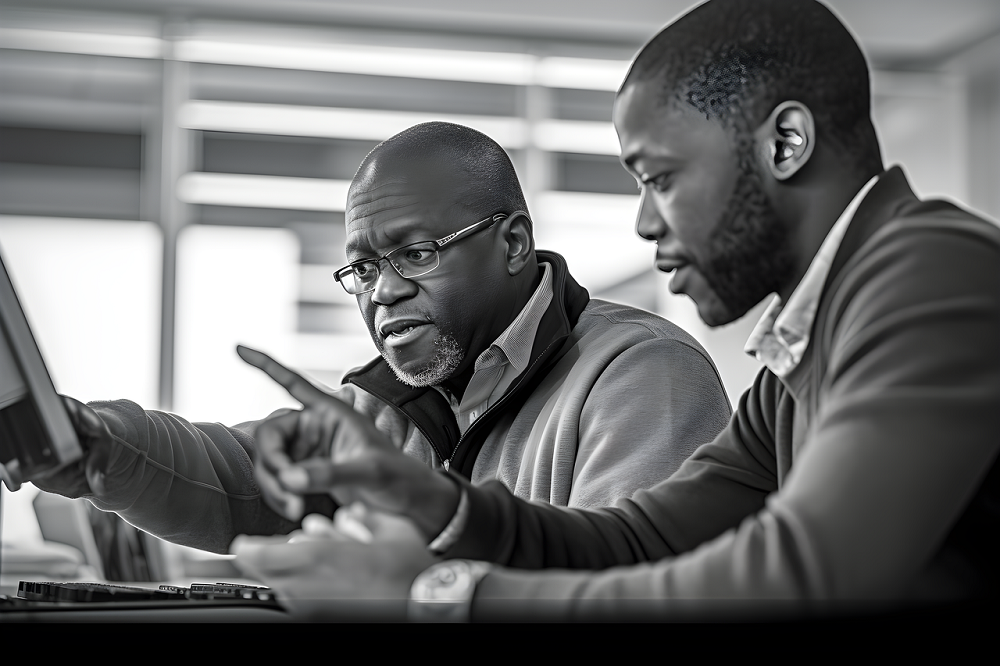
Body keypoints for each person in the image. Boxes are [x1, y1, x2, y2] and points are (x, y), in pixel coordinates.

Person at [229, 0, 1000, 621]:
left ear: (786, 142)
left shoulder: (933, 270)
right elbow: (644, 540)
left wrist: (437, 596)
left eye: (659, 177)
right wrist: (434, 501)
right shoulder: (800, 361)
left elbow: (808, 571)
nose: (645, 223)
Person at [3, 122, 731, 555]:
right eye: (362, 267)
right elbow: (234, 481)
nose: (383, 291)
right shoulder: (386, 404)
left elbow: (623, 587)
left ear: (513, 245)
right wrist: (98, 446)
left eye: (416, 254)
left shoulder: (641, 375)